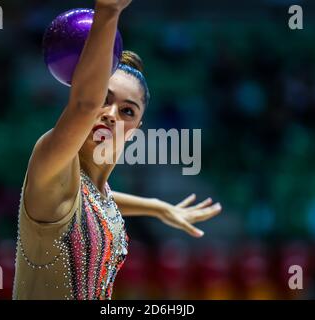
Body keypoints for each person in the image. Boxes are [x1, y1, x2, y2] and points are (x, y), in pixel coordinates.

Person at [12, 0, 222, 300]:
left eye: (127, 111)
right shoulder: (51, 159)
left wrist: (157, 207)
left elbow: (98, 202)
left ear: (135, 129)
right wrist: (108, 11)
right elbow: (84, 105)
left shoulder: (94, 192)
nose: (111, 114)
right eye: (104, 99)